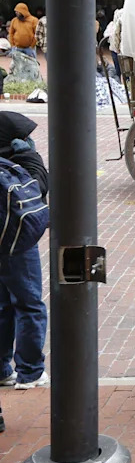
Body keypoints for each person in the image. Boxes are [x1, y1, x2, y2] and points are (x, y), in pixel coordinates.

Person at [0, 114, 49, 399]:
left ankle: (3, 368)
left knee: (4, 305)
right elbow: (39, 186)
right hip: (16, 243)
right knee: (30, 304)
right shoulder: (12, 168)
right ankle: (30, 371)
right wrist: (31, 156)